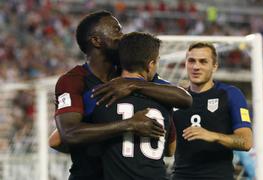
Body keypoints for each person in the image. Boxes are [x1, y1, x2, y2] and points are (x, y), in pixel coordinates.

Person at [52, 11, 191, 180]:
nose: (122, 35)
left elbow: (183, 98)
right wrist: (128, 125)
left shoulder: (129, 73)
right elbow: (69, 133)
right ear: (96, 40)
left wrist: (134, 84)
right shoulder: (73, 81)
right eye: (116, 30)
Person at [93, 32, 175, 180]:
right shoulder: (165, 99)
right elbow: (171, 150)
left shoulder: (100, 96)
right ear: (150, 65)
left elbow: (58, 141)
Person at [172, 42, 253, 180]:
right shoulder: (176, 97)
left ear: (214, 66)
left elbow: (246, 142)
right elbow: (169, 150)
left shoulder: (230, 94)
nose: (196, 66)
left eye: (203, 62)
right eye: (191, 61)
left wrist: (213, 136)